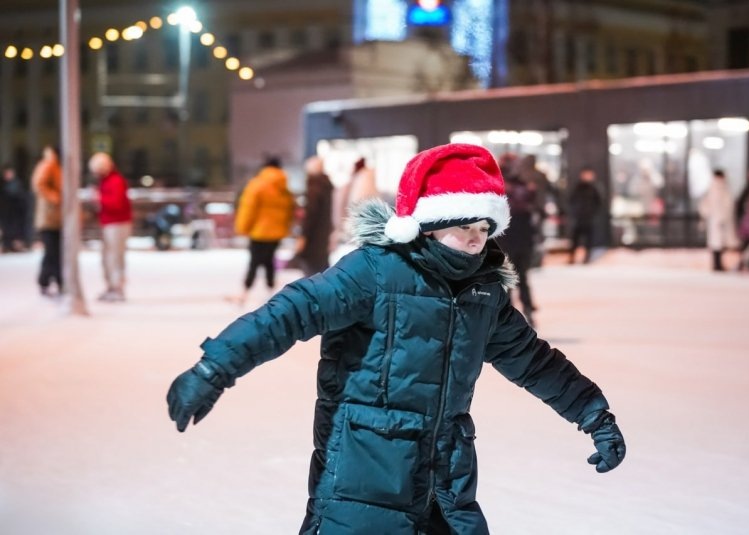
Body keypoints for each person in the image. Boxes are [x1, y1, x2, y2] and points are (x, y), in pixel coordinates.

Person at [167, 143, 626, 535]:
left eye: (485, 229)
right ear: (428, 223)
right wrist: (214, 367)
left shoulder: (483, 292)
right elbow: (290, 312)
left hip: (445, 485)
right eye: (464, 226)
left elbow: (534, 361)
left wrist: (592, 413)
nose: (475, 240)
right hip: (362, 479)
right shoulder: (374, 272)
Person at [230, 156, 295, 305]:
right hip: (276, 233)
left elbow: (248, 208)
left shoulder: (258, 184)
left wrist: (242, 227)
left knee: (254, 261)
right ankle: (271, 291)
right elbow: (290, 210)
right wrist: (285, 228)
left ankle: (244, 293)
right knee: (269, 261)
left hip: (259, 232)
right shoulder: (284, 187)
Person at [496, 161, 539, 326]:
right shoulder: (525, 188)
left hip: (510, 240)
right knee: (517, 277)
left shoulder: (500, 191)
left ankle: (515, 313)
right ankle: (523, 310)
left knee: (510, 278)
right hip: (516, 240)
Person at [88, 152, 133, 302]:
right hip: (109, 222)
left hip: (118, 223)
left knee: (115, 256)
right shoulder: (106, 181)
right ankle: (111, 286)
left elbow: (116, 203)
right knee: (107, 257)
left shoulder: (115, 181)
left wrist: (99, 198)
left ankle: (117, 287)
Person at [295, 155, 334, 277]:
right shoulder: (326, 187)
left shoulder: (314, 189)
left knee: (312, 273)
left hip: (313, 240)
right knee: (322, 271)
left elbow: (310, 216)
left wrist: (303, 236)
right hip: (322, 237)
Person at [31, 145, 63, 296]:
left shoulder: (55, 165)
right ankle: (47, 281)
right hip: (49, 218)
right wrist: (54, 198)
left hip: (55, 218)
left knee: (56, 252)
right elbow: (39, 184)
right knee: (52, 252)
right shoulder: (49, 165)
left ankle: (55, 280)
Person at [698, 169, 739, 272]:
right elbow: (712, 205)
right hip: (718, 220)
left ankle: (718, 264)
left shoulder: (720, 188)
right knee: (717, 244)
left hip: (719, 220)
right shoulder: (717, 188)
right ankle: (717, 265)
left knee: (719, 244)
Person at [567, 167, 602, 264]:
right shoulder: (577, 187)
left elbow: (599, 202)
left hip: (589, 218)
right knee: (575, 239)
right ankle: (572, 258)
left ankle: (587, 258)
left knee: (589, 240)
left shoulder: (594, 188)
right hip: (578, 218)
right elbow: (571, 200)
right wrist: (574, 212)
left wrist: (593, 213)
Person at [0, 164, 28, 253]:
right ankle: (8, 245)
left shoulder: (17, 184)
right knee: (8, 230)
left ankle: (15, 245)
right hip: (7, 213)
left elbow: (21, 198)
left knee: (15, 230)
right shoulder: (4, 185)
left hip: (15, 213)